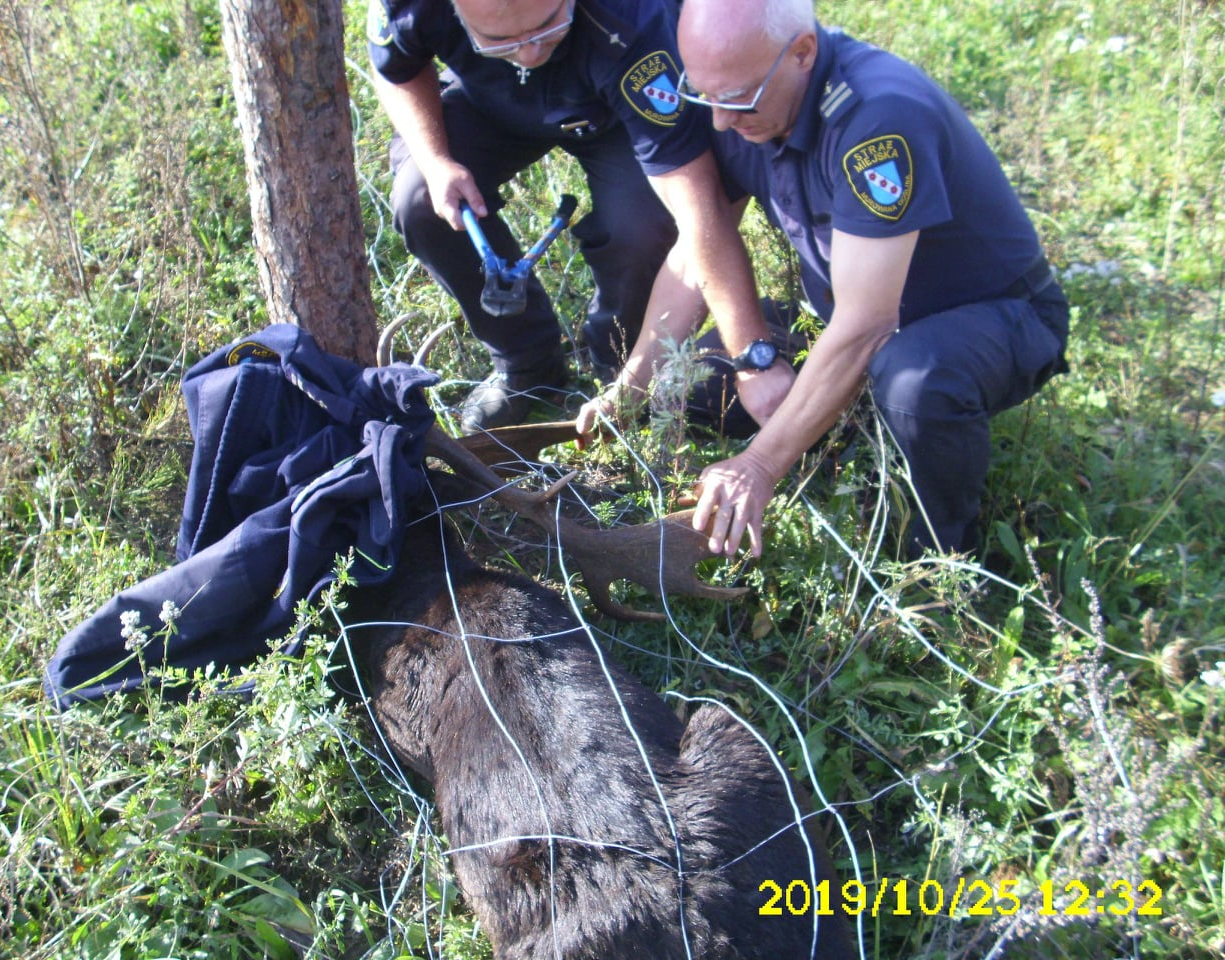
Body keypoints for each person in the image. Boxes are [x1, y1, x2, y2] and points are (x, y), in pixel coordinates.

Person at [576, 0, 1070, 560]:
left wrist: (759, 466)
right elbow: (698, 252)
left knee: (913, 382)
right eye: (703, 96)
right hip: (851, 317)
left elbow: (867, 325)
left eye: (734, 99)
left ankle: (940, 560)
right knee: (694, 384)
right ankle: (856, 426)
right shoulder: (744, 96)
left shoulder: (877, 119)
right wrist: (630, 388)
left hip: (987, 319)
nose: (718, 121)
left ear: (803, 53)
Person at [367, 0, 765, 431]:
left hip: (614, 107)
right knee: (422, 199)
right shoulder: (408, 6)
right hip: (487, 98)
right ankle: (527, 366)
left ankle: (622, 367)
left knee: (642, 230)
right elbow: (398, 68)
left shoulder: (635, 21)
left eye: (544, 29)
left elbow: (700, 215)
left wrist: (748, 358)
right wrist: (435, 160)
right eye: (500, 40)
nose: (529, 55)